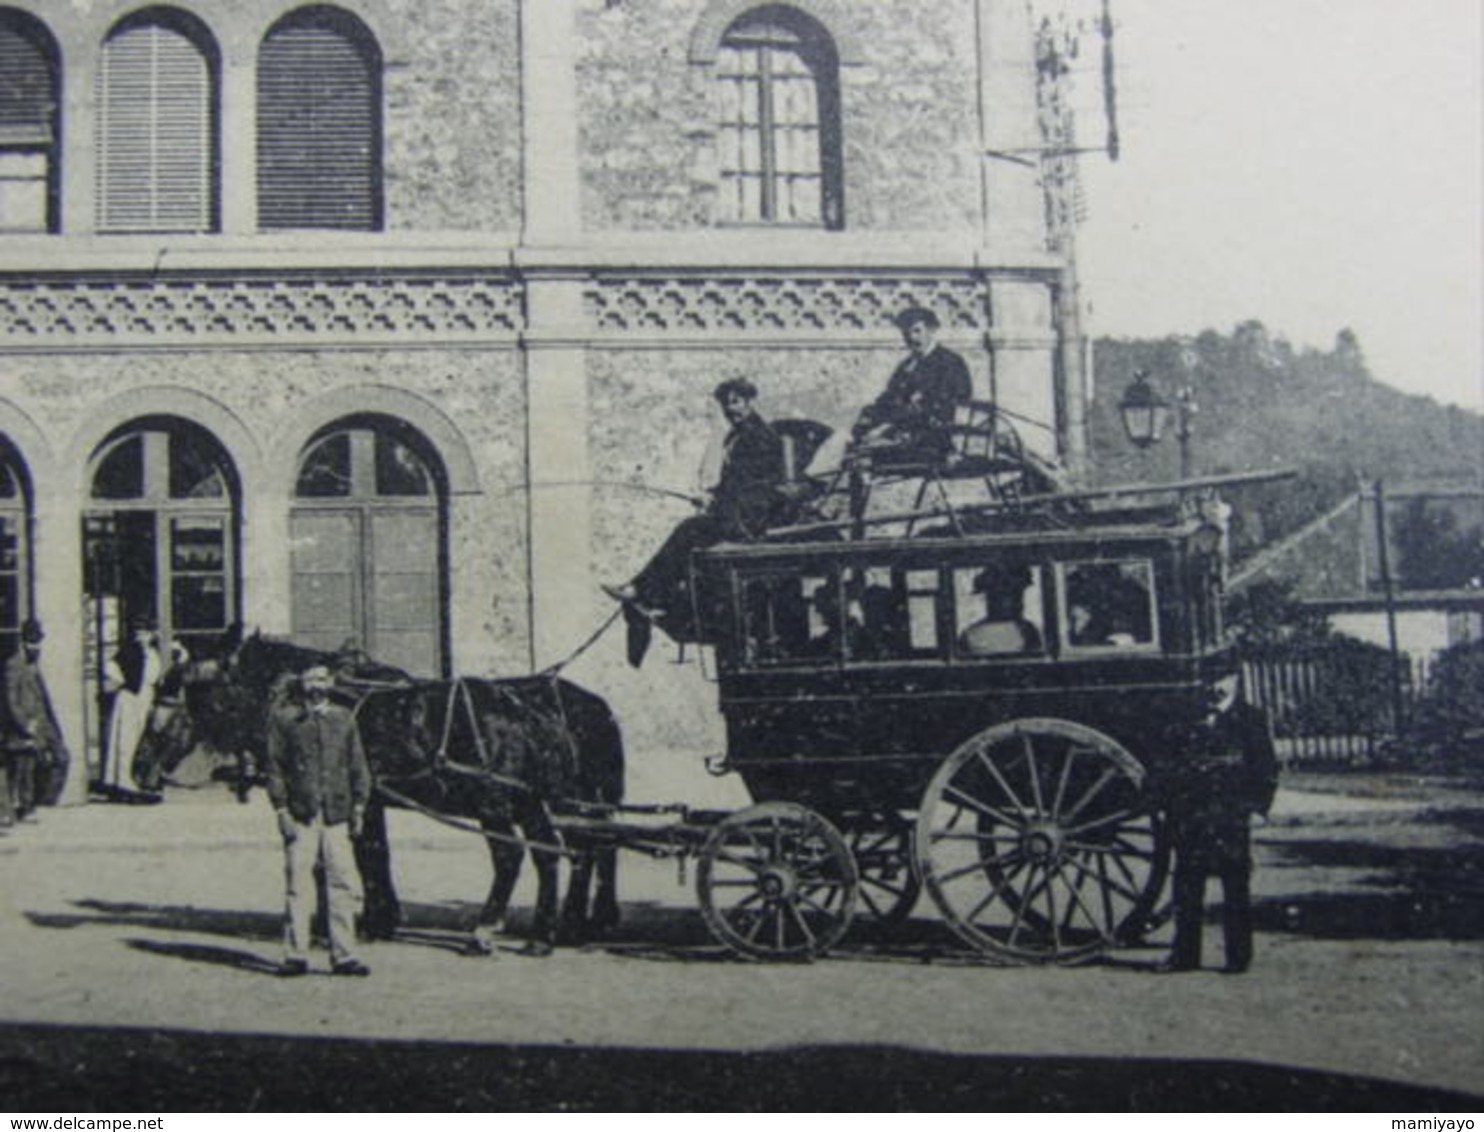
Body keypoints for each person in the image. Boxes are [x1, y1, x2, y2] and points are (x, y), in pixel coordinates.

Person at [605, 378, 785, 666]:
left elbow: (753, 487)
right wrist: (712, 496)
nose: (730, 408)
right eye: (725, 404)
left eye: (736, 402)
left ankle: (644, 591)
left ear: (750, 401)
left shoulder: (760, 437)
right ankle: (649, 595)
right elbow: (732, 484)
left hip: (751, 517)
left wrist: (716, 504)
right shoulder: (736, 435)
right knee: (692, 532)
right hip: (736, 509)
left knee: (689, 530)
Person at [1162, 669, 1279, 974]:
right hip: (1193, 814)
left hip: (1230, 814)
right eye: (1210, 681)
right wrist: (1173, 806)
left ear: (1236, 681)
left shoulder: (1250, 718)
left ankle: (1238, 958)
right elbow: (1170, 763)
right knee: (1188, 886)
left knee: (1235, 886)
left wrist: (1257, 806)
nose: (1216, 688)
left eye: (1224, 680)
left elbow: (1265, 765)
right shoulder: (1186, 716)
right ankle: (1185, 956)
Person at [264, 664, 372, 977]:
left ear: (331, 683)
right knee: (298, 886)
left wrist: (360, 807)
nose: (316, 685)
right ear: (301, 683)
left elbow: (358, 766)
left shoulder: (344, 719)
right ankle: (295, 955)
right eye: (310, 679)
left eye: (322, 679)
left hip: (337, 816)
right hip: (301, 814)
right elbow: (274, 769)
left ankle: (344, 956)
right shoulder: (285, 721)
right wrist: (281, 810)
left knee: (342, 884)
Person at [852, 306, 973, 463]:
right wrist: (869, 419)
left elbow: (939, 404)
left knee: (860, 454)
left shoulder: (949, 362)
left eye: (917, 331)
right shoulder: (907, 365)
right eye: (906, 333)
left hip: (931, 435)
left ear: (931, 330)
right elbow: (888, 397)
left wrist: (885, 428)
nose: (911, 338)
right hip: (900, 429)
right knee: (848, 441)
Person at [2, 620, 70, 824]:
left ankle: (38, 801)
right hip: (22, 728)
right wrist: (25, 725)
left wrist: (50, 726)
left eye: (38, 643)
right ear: (23, 642)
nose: (36, 647)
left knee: (58, 758)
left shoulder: (32, 666)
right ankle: (24, 806)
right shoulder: (13, 666)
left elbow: (43, 700)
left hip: (40, 724)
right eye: (32, 643)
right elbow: (10, 701)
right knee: (23, 768)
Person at [101, 617, 162, 794]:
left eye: (146, 633)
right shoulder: (129, 651)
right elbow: (109, 666)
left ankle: (126, 777)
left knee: (136, 738)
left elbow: (153, 677)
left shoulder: (152, 653)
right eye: (139, 633)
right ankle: (121, 779)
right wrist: (122, 681)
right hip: (130, 697)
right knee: (125, 739)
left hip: (145, 696)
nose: (142, 637)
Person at [959, 565, 1043, 655]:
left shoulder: (1029, 631)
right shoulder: (970, 634)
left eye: (1017, 594)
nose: (1014, 601)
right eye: (1004, 594)